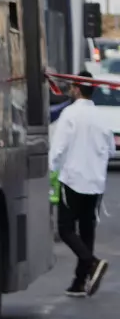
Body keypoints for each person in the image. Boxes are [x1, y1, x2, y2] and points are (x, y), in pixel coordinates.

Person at [49, 83, 111, 296]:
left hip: (73, 179)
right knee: (87, 231)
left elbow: (58, 146)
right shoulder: (100, 115)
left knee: (65, 229)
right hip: (95, 181)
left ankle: (91, 263)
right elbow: (110, 147)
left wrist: (50, 170)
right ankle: (80, 281)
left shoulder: (70, 113)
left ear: (76, 89)